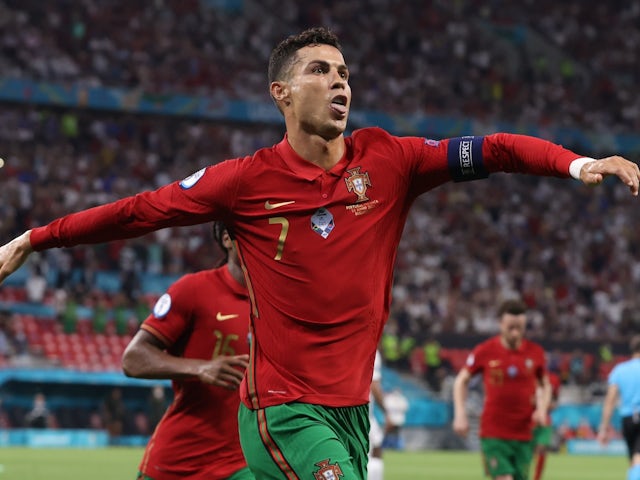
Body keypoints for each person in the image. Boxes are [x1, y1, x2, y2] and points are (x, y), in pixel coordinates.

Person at [0, 27, 638, 479]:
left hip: (352, 411)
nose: (338, 83)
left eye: (343, 73)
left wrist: (575, 164)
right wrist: (36, 238)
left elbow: (494, 147)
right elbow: (141, 211)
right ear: (281, 94)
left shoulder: (391, 160)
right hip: (283, 409)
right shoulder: (246, 181)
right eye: (319, 71)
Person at [121, 222, 253, 480]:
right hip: (180, 459)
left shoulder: (278, 302)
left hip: (243, 461)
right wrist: (200, 368)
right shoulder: (194, 290)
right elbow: (133, 359)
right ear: (227, 239)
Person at [452, 299, 552, 480]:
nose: (515, 332)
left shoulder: (535, 352)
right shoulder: (485, 350)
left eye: (519, 328)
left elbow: (545, 385)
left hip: (524, 432)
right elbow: (461, 381)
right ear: (500, 324)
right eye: (510, 327)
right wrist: (460, 413)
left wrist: (542, 409)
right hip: (494, 432)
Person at [597, 334, 640, 480]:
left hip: (627, 419)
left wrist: (604, 427)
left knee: (634, 460)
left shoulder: (620, 370)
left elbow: (610, 400)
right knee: (638, 460)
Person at [531, 366, 561, 480]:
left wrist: (547, 405)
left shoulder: (553, 379)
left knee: (542, 448)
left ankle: (537, 478)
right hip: (527, 420)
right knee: (527, 450)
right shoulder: (526, 375)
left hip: (544, 420)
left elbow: (555, 400)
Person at [368, 350, 392, 480]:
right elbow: (374, 384)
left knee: (376, 448)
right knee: (374, 454)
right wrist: (386, 411)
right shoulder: (371, 350)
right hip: (361, 415)